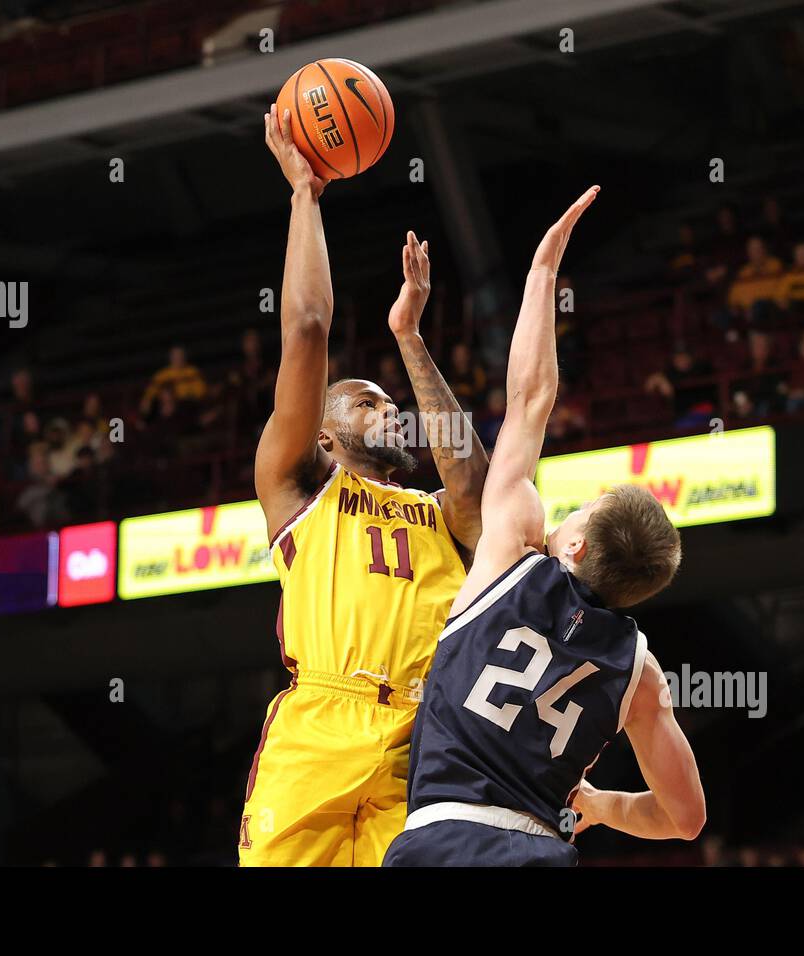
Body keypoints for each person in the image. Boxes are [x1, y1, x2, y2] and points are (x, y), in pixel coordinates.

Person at [384, 187, 705, 867]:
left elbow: (530, 397)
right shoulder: (639, 673)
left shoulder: (511, 553)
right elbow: (686, 818)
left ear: (578, 544)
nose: (563, 512)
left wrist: (540, 273)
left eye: (578, 510)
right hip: (536, 850)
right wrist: (602, 805)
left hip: (440, 837)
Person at [239, 105, 489, 867]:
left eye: (390, 403)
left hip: (421, 743)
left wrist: (410, 338)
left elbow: (475, 485)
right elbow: (308, 327)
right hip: (319, 722)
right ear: (322, 435)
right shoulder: (297, 489)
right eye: (364, 401)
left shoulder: (441, 516)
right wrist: (304, 196)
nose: (388, 409)